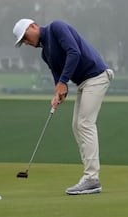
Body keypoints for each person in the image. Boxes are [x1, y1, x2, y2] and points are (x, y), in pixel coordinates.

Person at [13, 18, 113, 195]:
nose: (27, 43)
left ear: (33, 26)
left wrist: (63, 82)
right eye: (23, 42)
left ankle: (91, 178)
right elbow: (58, 77)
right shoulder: (45, 54)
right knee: (76, 125)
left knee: (85, 123)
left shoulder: (56, 28)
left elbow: (74, 52)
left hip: (97, 76)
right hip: (84, 82)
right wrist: (58, 93)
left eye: (25, 37)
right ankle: (89, 176)